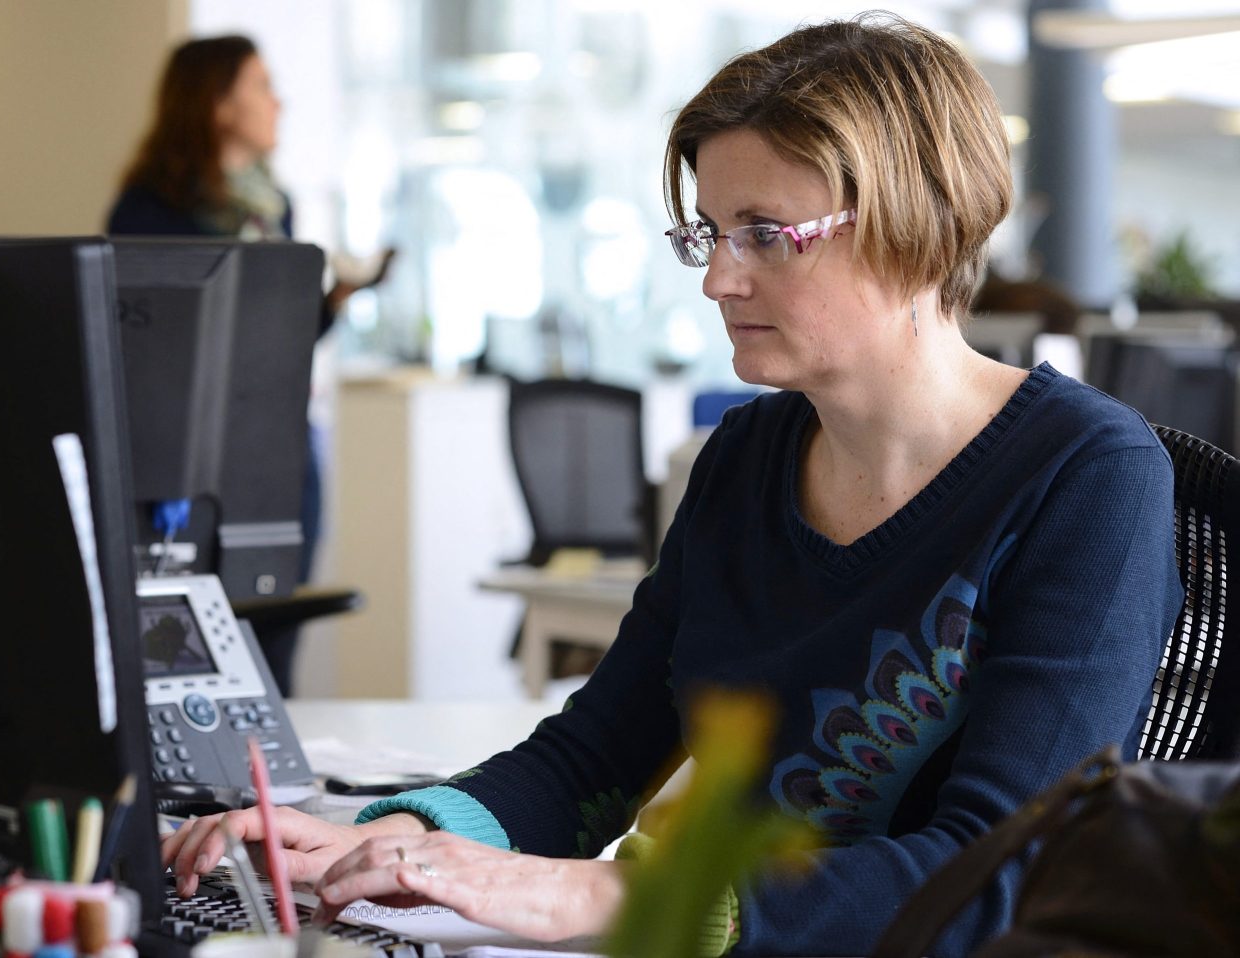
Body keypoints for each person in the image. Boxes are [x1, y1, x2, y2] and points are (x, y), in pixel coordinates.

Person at [161, 14, 1182, 955]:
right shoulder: (746, 456)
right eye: (709, 233)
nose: (718, 279)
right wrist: (391, 842)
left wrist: (591, 894)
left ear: (921, 223)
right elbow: (596, 755)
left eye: (765, 234)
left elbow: (997, 871)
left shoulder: (1088, 475)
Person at [107, 36, 391, 692]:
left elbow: (283, 343)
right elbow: (144, 341)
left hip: (281, 448)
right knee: (183, 648)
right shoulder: (150, 210)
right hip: (187, 464)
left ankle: (269, 757)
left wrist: (333, 300)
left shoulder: (273, 207)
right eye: (261, 86)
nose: (277, 103)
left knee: (275, 632)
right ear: (218, 104)